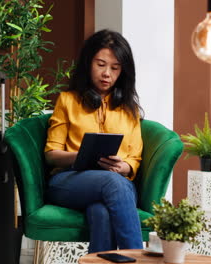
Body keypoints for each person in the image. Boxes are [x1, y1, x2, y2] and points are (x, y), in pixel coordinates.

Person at [44, 29, 144, 253]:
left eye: (115, 68)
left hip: (115, 183)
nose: (107, 73)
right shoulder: (67, 101)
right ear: (88, 64)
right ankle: (138, 258)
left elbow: (134, 158)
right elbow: (51, 155)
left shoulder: (130, 110)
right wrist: (81, 157)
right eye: (101, 64)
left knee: (101, 212)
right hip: (68, 181)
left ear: (123, 72)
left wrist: (123, 166)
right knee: (114, 183)